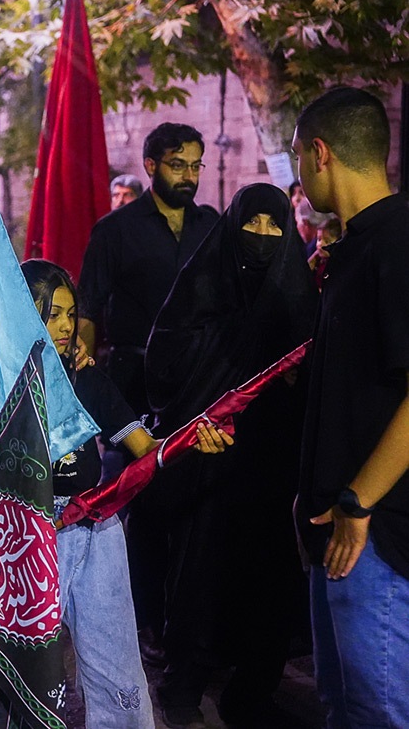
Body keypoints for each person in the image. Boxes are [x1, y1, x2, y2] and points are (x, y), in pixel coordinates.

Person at [17, 260, 232, 729]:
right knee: (27, 673)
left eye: (70, 314)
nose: (65, 327)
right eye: (50, 315)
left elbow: (145, 449)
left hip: (96, 527)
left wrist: (193, 440)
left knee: (114, 661)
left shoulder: (87, 378)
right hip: (30, 533)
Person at [144, 184, 317, 727]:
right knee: (199, 572)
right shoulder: (202, 285)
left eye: (274, 225)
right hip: (208, 460)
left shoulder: (297, 294)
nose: (262, 235)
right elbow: (164, 366)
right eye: (252, 223)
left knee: (266, 577)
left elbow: (314, 377)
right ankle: (183, 687)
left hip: (271, 464)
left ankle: (253, 691)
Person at [291, 86, 409, 728]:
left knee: (379, 712)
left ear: (320, 153)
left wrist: (359, 502)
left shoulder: (396, 242)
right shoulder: (354, 247)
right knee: (344, 708)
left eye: (297, 158)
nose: (299, 175)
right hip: (337, 530)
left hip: (375, 536)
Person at [77, 123, 219, 650]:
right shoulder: (115, 231)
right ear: (152, 165)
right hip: (132, 384)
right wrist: (80, 371)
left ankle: (191, 619)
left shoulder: (212, 227)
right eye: (178, 165)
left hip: (197, 383)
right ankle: (144, 621)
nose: (189, 176)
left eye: (196, 165)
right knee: (141, 499)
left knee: (196, 501)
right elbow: (88, 308)